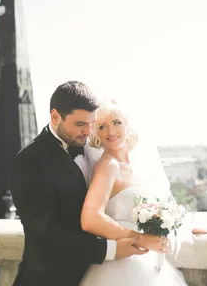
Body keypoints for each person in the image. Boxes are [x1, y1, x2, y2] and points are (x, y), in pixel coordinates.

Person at [10, 81, 148, 286]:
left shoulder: (90, 148)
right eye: (80, 124)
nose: (88, 131)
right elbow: (44, 237)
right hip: (48, 279)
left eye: (92, 123)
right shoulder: (30, 160)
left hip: (96, 275)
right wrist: (111, 249)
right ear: (55, 116)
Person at [78, 101, 193, 285]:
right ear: (96, 133)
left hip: (146, 262)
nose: (110, 131)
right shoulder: (108, 166)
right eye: (102, 126)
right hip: (122, 266)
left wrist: (180, 226)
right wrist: (139, 239)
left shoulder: (133, 165)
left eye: (116, 122)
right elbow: (91, 218)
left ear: (127, 124)